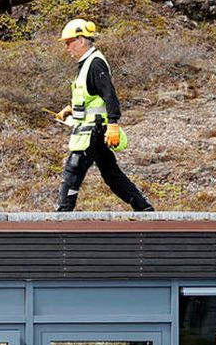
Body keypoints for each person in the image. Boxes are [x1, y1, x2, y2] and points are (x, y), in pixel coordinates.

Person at [55, 18, 154, 212]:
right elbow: (92, 98)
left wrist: (113, 124)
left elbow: (109, 96)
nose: (67, 47)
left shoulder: (95, 64)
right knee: (111, 174)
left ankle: (62, 215)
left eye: (69, 42)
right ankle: (143, 208)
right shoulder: (86, 64)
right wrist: (71, 109)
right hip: (95, 129)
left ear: (81, 40)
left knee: (73, 170)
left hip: (94, 131)